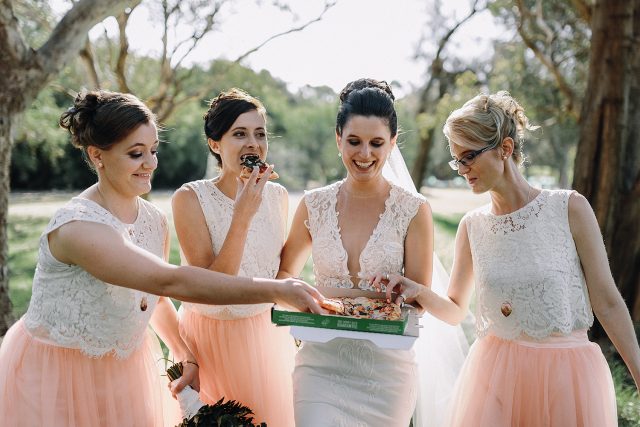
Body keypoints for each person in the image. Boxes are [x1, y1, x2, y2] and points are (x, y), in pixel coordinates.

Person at [0, 90, 323, 427]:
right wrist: (277, 291)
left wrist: (182, 350)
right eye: (136, 154)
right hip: (58, 373)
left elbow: (153, 298)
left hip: (124, 369)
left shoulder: (153, 219)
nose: (151, 163)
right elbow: (170, 281)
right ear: (97, 155)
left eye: (153, 151)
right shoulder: (79, 226)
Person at [378, 91, 640, 426]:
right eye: (457, 160)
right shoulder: (472, 227)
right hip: (494, 377)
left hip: (566, 375)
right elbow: (456, 310)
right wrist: (416, 289)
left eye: (468, 156)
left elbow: (608, 302)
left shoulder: (569, 208)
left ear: (505, 149)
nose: (462, 169)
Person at [278, 78, 466, 427]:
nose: (364, 154)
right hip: (320, 363)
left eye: (376, 143)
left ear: (393, 143)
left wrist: (404, 289)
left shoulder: (412, 209)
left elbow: (418, 302)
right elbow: (284, 277)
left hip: (386, 373)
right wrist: (306, 300)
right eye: (354, 142)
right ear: (338, 139)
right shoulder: (313, 205)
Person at [172, 88, 296, 426]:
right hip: (207, 341)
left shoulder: (278, 196)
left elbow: (278, 272)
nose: (253, 143)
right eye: (239, 134)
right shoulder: (190, 198)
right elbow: (210, 286)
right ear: (215, 143)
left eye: (260, 134)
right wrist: (242, 215)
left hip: (265, 336)